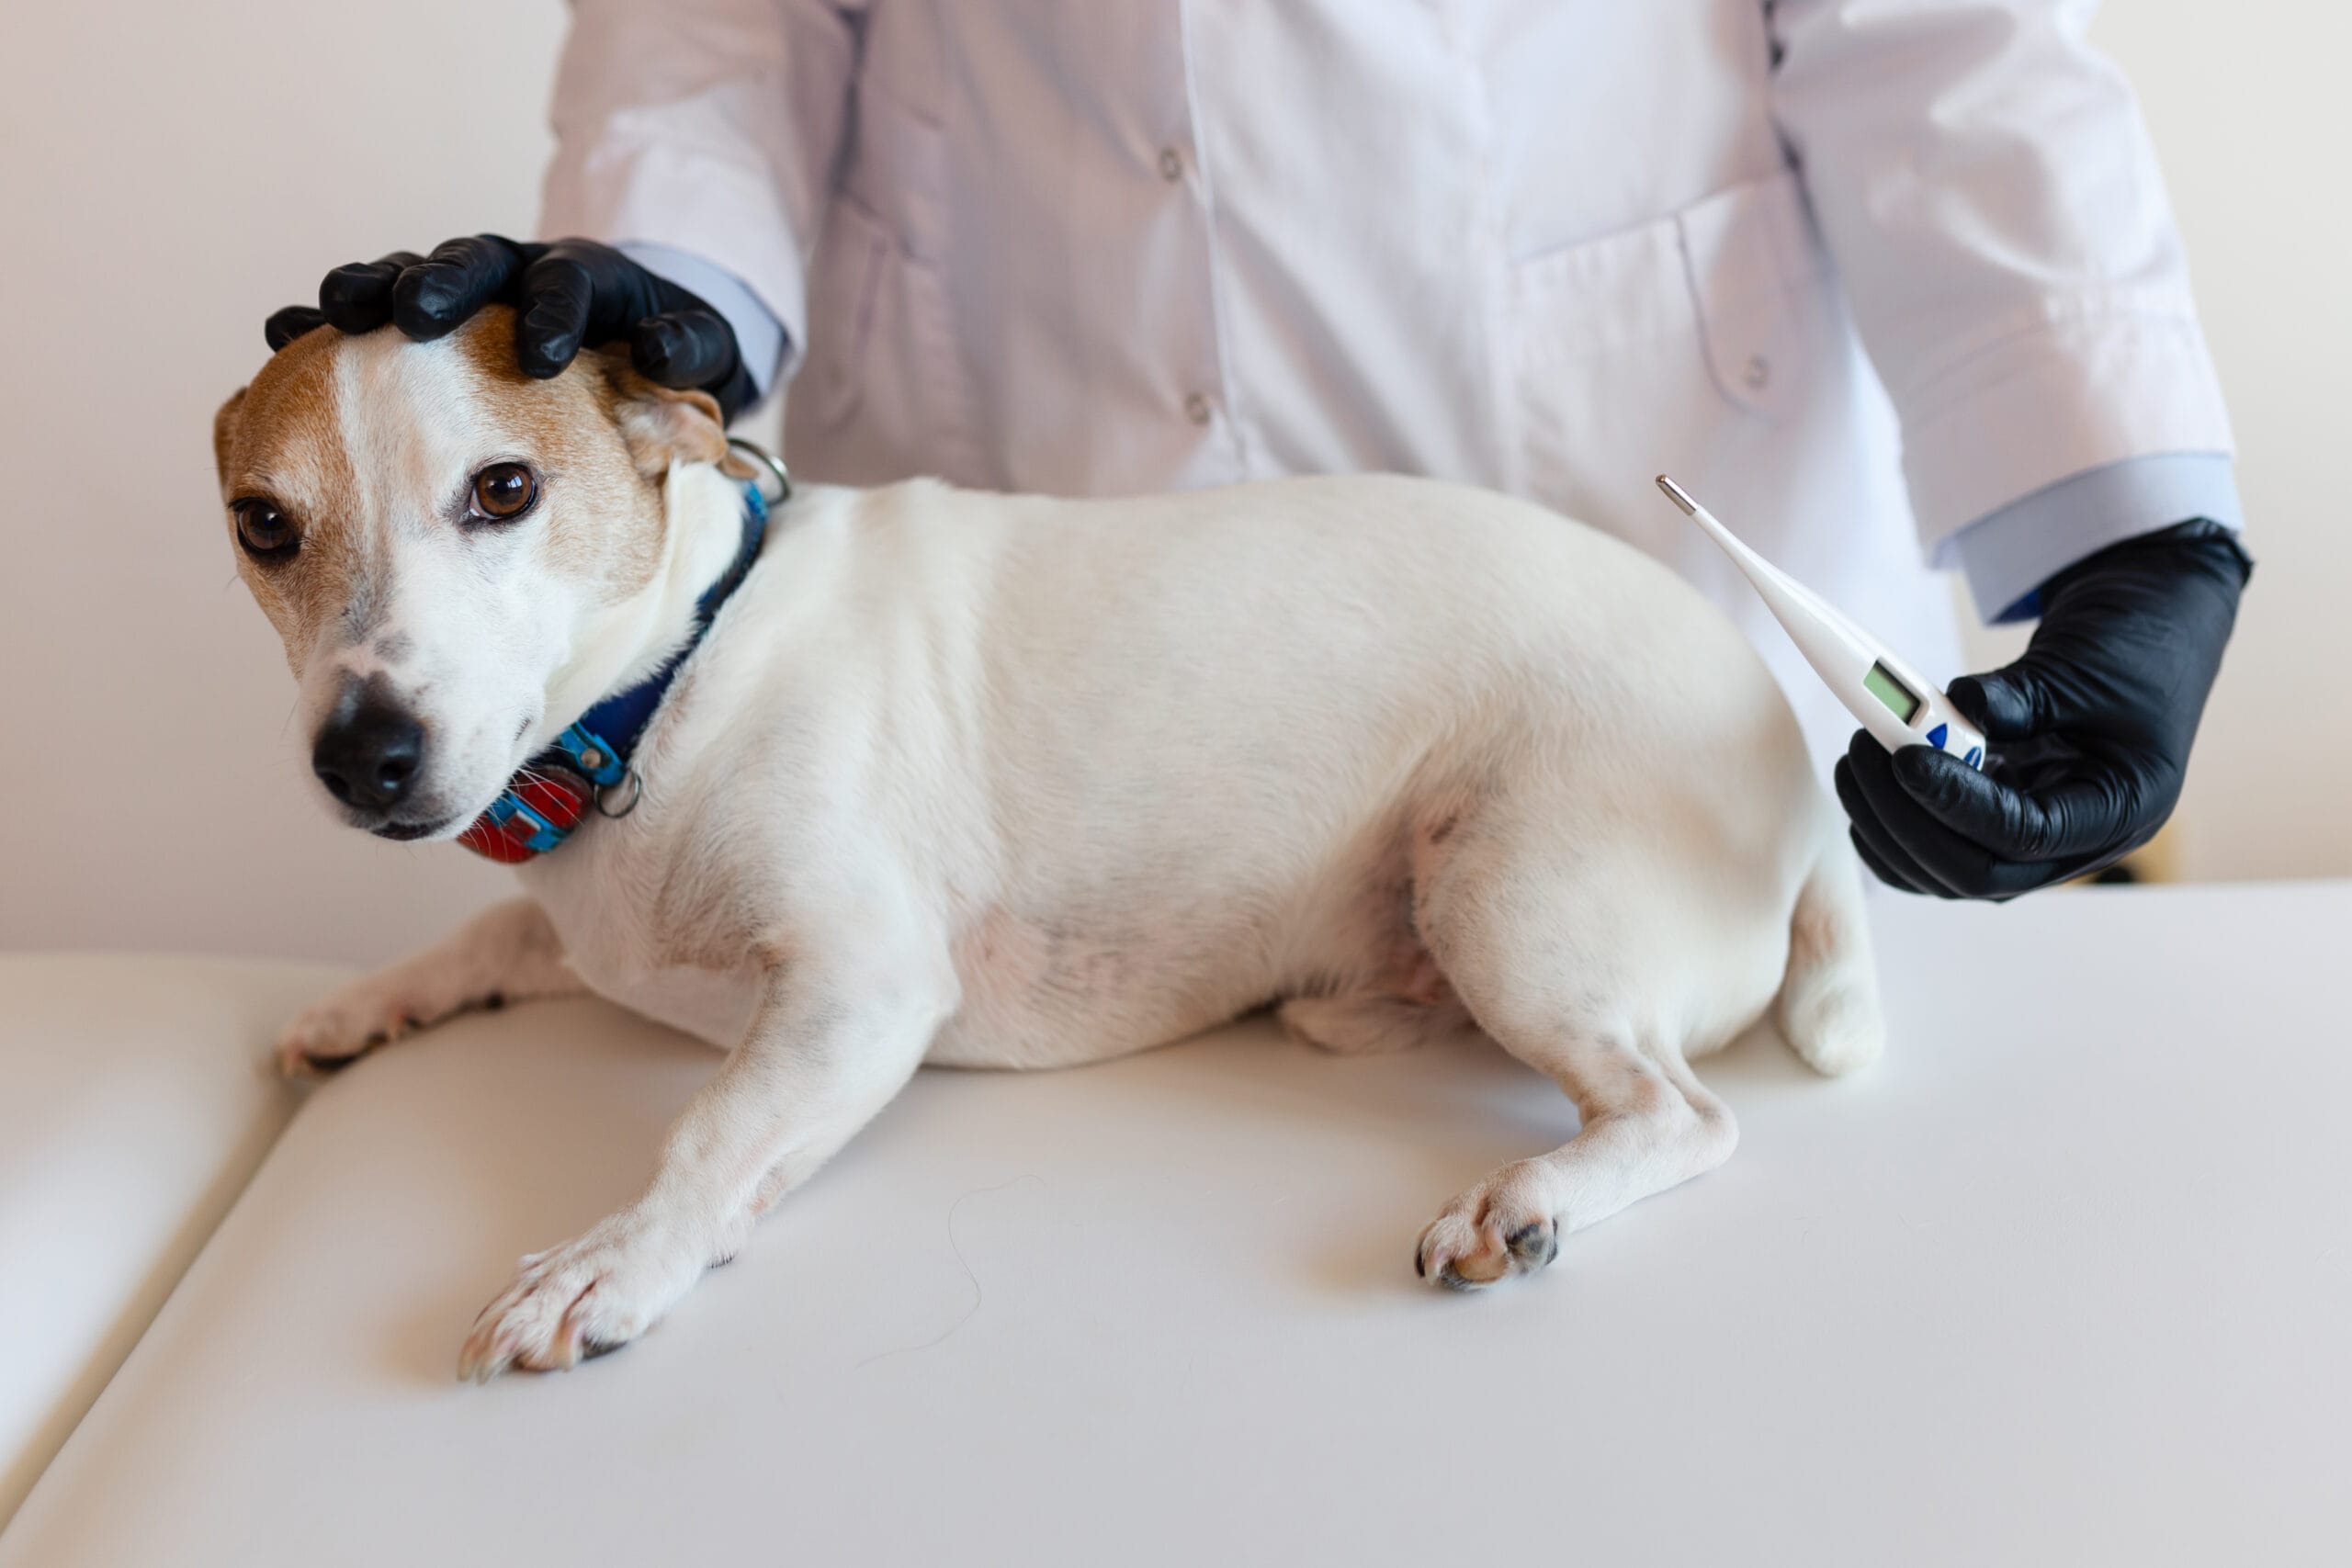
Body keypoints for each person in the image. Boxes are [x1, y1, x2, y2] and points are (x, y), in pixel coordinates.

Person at [266, 0, 2249, 902]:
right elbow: (721, 31)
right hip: (1039, 599)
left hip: (1630, 538)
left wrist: (2128, 536)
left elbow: (1942, 35)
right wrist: (640, 296)